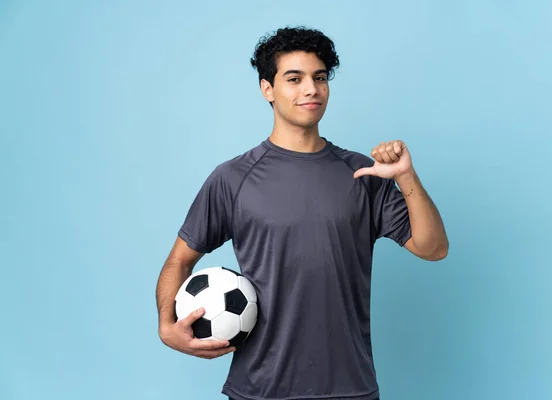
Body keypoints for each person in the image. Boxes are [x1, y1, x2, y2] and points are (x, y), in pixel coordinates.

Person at [156, 26, 449, 400]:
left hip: (350, 388)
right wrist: (167, 326)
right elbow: (179, 260)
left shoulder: (361, 173)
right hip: (259, 389)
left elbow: (433, 247)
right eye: (294, 79)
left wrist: (406, 176)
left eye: (320, 78)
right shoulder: (233, 178)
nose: (311, 89)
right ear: (267, 89)